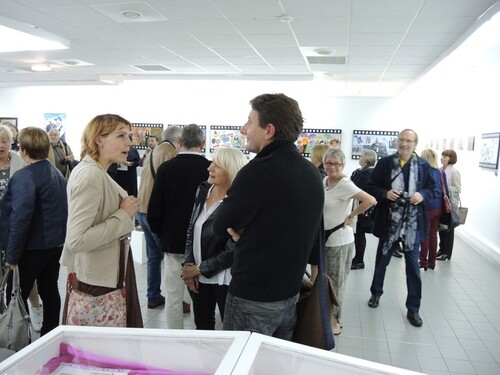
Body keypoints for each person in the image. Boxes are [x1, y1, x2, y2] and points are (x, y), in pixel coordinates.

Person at [212, 93, 324, 340]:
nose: (244, 129)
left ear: (268, 130)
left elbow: (220, 225)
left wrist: (248, 234)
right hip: (290, 295)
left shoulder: (257, 172)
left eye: (250, 122)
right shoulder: (311, 172)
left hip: (252, 299)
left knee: (242, 364)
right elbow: (301, 229)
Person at [60, 114, 142, 328]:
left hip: (102, 276)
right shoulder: (91, 175)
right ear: (99, 139)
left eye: (129, 136)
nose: (129, 143)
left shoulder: (96, 172)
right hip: (97, 282)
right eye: (121, 135)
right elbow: (76, 240)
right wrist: (123, 215)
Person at [0, 127, 67, 336]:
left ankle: (21, 338)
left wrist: (12, 256)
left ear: (23, 150)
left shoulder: (25, 176)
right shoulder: (55, 173)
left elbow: (21, 218)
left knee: (16, 293)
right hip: (54, 245)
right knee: (49, 289)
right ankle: (50, 334)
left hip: (33, 247)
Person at [366, 129, 435, 328]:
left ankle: (413, 309)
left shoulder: (423, 165)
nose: (404, 144)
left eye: (408, 140)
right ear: (397, 142)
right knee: (381, 263)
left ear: (415, 143)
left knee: (413, 268)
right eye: (401, 140)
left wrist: (421, 195)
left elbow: (433, 189)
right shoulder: (385, 162)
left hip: (412, 226)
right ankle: (375, 293)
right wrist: (385, 193)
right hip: (389, 224)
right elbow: (371, 187)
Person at [148, 124, 210, 329]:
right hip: (202, 244)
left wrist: (162, 233)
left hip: (173, 241)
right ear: (202, 144)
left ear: (180, 143)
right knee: (200, 297)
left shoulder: (166, 169)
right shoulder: (210, 168)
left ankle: (174, 338)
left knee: (173, 296)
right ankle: (197, 337)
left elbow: (155, 209)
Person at [182, 148, 248, 330]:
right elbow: (191, 229)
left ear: (231, 170)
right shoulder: (203, 190)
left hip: (225, 279)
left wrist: (199, 269)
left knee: (230, 331)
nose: (209, 168)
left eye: (217, 165)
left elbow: (233, 250)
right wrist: (188, 266)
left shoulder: (237, 201)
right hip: (198, 275)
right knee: (202, 326)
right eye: (212, 162)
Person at [323, 148, 376, 334]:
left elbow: (370, 200)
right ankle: (328, 316)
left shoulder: (345, 183)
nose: (332, 167)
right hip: (326, 240)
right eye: (328, 163)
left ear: (343, 165)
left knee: (336, 283)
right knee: (327, 281)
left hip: (340, 242)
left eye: (336, 163)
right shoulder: (325, 181)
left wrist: (351, 215)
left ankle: (336, 321)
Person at [137, 126, 181, 309]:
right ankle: (176, 300)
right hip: (155, 212)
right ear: (178, 140)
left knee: (153, 257)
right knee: (171, 258)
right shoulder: (169, 152)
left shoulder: (154, 151)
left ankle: (153, 295)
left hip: (143, 209)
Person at [350, 148, 378, 270]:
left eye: (361, 156)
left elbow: (357, 188)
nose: (359, 158)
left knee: (359, 234)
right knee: (358, 234)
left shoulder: (367, 173)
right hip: (358, 205)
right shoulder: (360, 171)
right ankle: (357, 258)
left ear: (366, 159)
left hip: (363, 208)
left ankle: (359, 260)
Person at [419, 149, 446, 270]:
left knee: (425, 234)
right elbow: (446, 190)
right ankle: (432, 262)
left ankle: (423, 261)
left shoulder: (424, 172)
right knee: (433, 235)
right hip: (439, 207)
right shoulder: (440, 172)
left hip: (427, 207)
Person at [307, 143, 329, 282]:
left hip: (316, 222)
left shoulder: (318, 174)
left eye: (312, 155)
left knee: (315, 262)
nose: (310, 157)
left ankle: (312, 292)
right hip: (321, 221)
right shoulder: (324, 174)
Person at [437, 149, 461, 261]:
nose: (443, 158)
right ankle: (441, 249)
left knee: (449, 229)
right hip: (441, 203)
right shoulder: (440, 169)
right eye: (442, 156)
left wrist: (445, 189)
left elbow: (457, 189)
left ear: (451, 159)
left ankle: (447, 253)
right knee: (441, 227)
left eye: (445, 157)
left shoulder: (454, 172)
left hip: (450, 204)